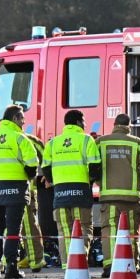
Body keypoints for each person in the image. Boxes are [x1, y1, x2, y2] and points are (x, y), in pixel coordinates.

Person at [0, 104, 39, 279]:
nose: (24, 122)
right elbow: (32, 164)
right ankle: (11, 266)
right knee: (13, 230)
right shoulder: (20, 139)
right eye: (22, 119)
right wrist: (27, 176)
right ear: (15, 118)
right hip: (17, 188)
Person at [41, 109, 101, 269]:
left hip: (60, 194)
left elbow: (45, 168)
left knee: (65, 231)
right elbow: (95, 166)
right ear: (79, 122)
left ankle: (68, 265)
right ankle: (80, 262)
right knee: (83, 228)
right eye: (84, 121)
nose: (85, 125)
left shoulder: (52, 143)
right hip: (81, 193)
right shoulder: (87, 140)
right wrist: (89, 180)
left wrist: (55, 181)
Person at [97, 113, 140, 278]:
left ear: (114, 125)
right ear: (129, 126)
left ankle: (109, 266)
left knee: (110, 231)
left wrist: (99, 181)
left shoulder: (101, 142)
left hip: (109, 197)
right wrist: (137, 181)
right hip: (131, 197)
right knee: (131, 231)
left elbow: (93, 166)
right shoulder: (138, 143)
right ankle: (133, 265)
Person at [18, 131, 47, 273]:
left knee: (7, 226)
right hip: (27, 190)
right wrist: (48, 178)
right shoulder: (31, 140)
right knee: (29, 225)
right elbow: (46, 160)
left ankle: (6, 261)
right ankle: (35, 259)